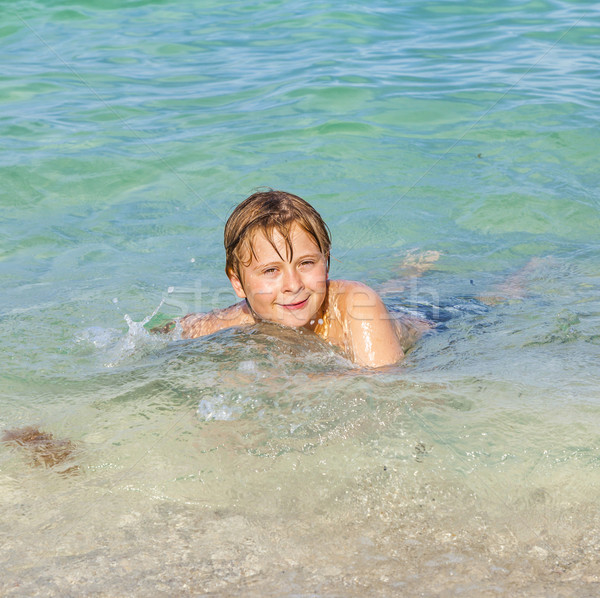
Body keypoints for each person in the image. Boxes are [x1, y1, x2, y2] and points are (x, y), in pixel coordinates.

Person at [167, 190, 430, 368]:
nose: (293, 285)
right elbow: (162, 336)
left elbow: (385, 391)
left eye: (306, 263)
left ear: (326, 264)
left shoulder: (358, 308)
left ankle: (414, 269)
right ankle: (406, 272)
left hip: (438, 321)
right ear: (237, 283)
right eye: (271, 271)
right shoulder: (235, 320)